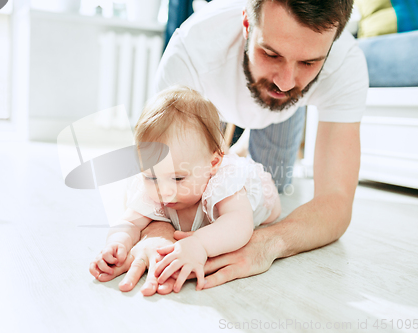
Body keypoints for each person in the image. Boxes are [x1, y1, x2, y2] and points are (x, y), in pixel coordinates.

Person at [90, 0, 368, 296]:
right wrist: (157, 233)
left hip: (282, 114)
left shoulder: (345, 63)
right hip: (209, 103)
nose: (286, 81)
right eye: (270, 53)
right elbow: (162, 161)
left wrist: (267, 243)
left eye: (309, 62)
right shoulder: (191, 49)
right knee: (187, 175)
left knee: (276, 182)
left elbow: (336, 201)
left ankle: (239, 156)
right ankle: (233, 152)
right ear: (247, 26)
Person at [90, 86, 281, 293]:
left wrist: (200, 244)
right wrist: (118, 243)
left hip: (264, 195)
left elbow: (240, 224)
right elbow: (129, 221)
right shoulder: (156, 185)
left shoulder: (223, 182)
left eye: (178, 178)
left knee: (271, 211)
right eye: (151, 177)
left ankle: (242, 151)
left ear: (213, 164)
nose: (164, 191)